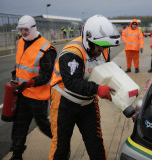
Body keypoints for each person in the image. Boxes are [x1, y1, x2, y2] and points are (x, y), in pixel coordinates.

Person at [49, 14, 121, 160]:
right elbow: (72, 82)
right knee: (61, 146)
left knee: (96, 145)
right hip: (64, 101)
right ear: (89, 41)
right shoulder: (72, 53)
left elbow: (104, 70)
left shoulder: (103, 49)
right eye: (100, 48)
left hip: (87, 102)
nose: (103, 51)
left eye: (106, 47)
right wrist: (97, 89)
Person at [9, 15, 57, 160]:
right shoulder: (20, 43)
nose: (23, 32)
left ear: (33, 28)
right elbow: (20, 63)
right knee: (19, 126)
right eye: (21, 29)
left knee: (43, 125)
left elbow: (46, 75)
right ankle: (17, 155)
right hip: (23, 94)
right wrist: (15, 74)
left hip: (38, 97)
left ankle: (62, 145)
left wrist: (29, 83)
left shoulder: (46, 48)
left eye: (26, 29)